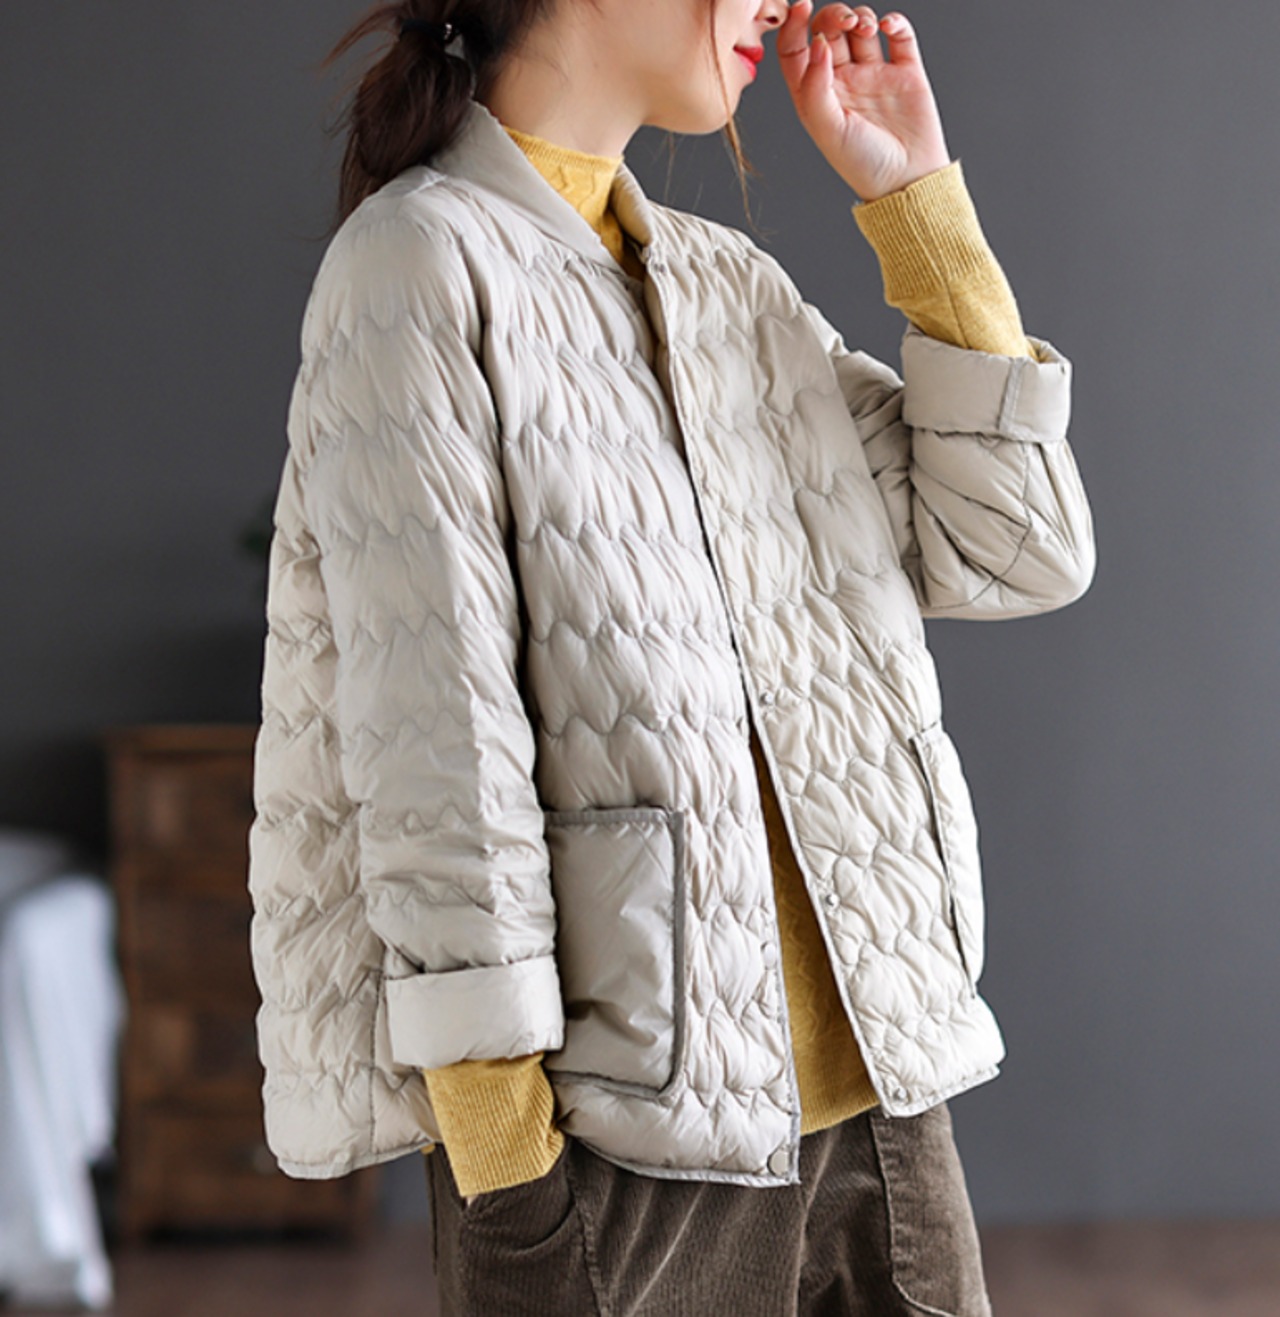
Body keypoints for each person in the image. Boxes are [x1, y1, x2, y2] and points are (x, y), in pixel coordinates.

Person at [247, 0, 1094, 1312]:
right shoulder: (418, 264)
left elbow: (1018, 546)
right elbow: (437, 752)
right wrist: (511, 1176)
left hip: (879, 1104)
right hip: (619, 1155)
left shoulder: (728, 287)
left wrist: (917, 204)